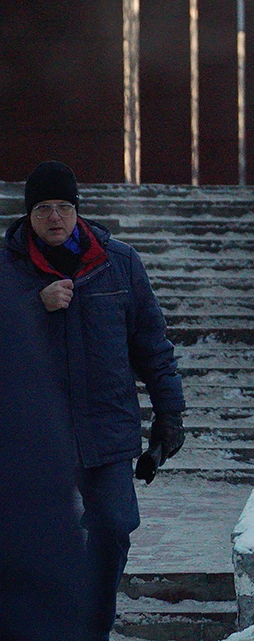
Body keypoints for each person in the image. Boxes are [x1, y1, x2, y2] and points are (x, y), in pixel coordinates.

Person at [0, 161, 186, 640]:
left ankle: (91, 631)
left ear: (77, 209)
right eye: (44, 208)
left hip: (105, 428)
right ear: (29, 215)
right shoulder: (7, 269)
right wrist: (32, 307)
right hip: (31, 436)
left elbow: (151, 343)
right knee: (29, 543)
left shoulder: (117, 261)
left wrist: (169, 415)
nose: (55, 217)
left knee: (114, 528)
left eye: (64, 206)